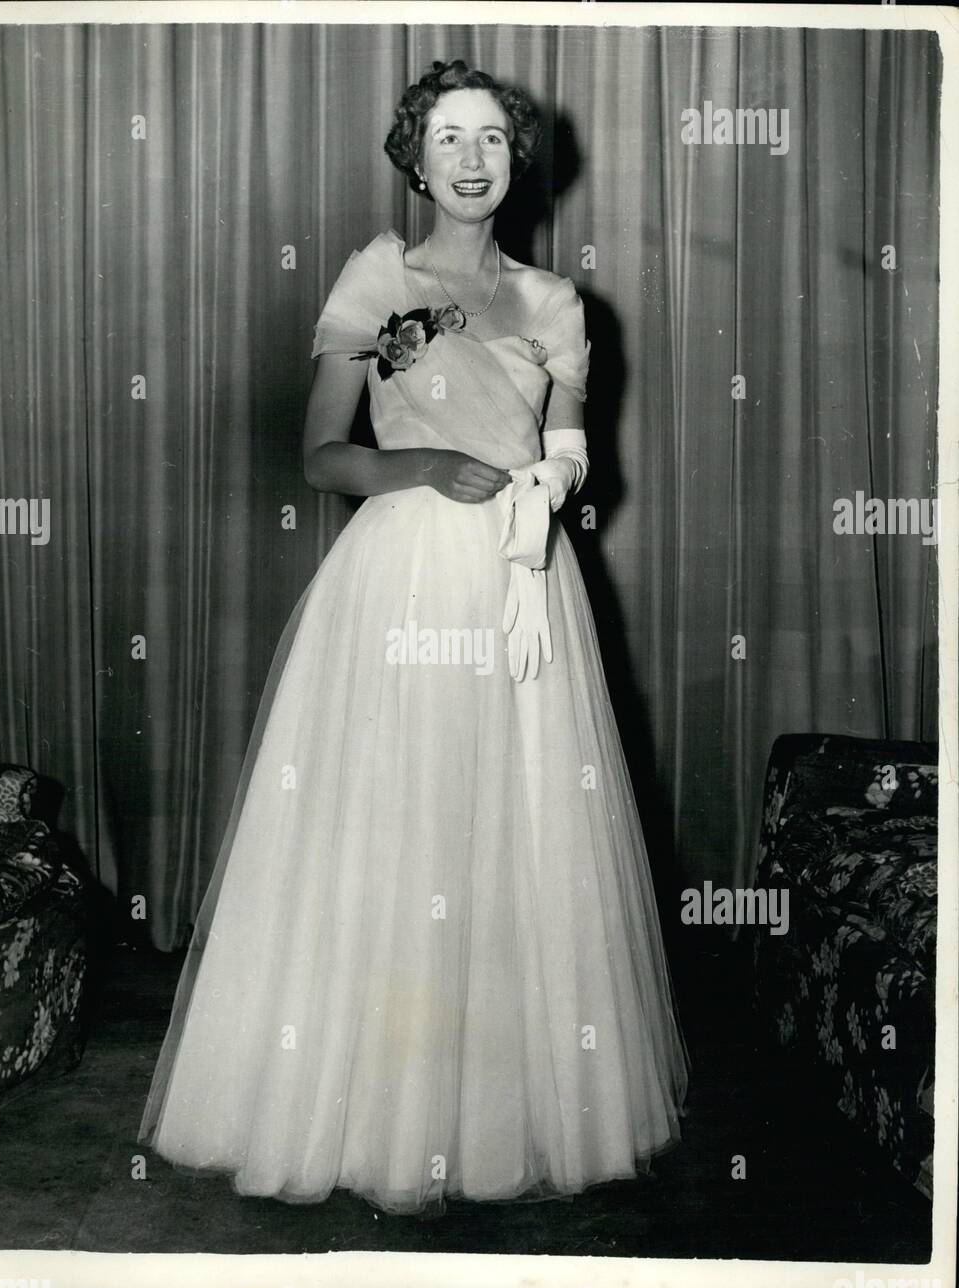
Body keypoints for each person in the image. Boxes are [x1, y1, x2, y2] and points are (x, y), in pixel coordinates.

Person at [139, 59, 689, 1216]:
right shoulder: (373, 277)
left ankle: (494, 1113)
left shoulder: (554, 303)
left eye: (491, 138)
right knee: (393, 828)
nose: (473, 159)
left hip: (518, 578)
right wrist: (425, 467)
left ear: (516, 157)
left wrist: (548, 479)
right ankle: (361, 1108)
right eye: (449, 138)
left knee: (517, 831)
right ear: (415, 155)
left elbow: (579, 441)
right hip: (395, 578)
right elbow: (321, 453)